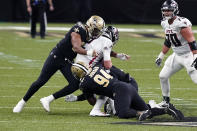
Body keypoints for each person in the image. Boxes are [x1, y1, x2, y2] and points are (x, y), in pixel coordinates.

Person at [13, 15, 105, 113]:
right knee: (41, 81)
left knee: (75, 84)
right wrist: (89, 52)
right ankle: (22, 102)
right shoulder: (78, 30)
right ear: (90, 26)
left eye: (98, 31)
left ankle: (48, 99)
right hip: (56, 56)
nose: (97, 33)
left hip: (67, 61)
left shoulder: (89, 35)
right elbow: (76, 47)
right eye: (96, 30)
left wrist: (114, 55)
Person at [40, 26, 132, 116]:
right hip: (85, 70)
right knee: (110, 82)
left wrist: (76, 98)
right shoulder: (107, 41)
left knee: (93, 100)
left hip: (79, 69)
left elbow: (103, 51)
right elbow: (107, 63)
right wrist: (111, 73)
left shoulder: (97, 39)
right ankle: (109, 108)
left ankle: (108, 106)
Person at [70, 62, 184, 120]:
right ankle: (164, 109)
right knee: (146, 109)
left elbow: (92, 101)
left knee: (122, 113)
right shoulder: (97, 66)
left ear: (77, 74)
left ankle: (141, 113)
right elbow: (113, 73)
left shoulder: (84, 83)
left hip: (119, 91)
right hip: (127, 86)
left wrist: (80, 96)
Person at [155, 0, 197, 107]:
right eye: (165, 11)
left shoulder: (181, 23)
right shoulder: (164, 23)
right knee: (163, 76)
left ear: (175, 10)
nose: (167, 13)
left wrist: (195, 56)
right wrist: (161, 56)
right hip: (177, 56)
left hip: (188, 55)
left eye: (169, 10)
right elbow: (168, 40)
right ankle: (166, 101)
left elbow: (191, 41)